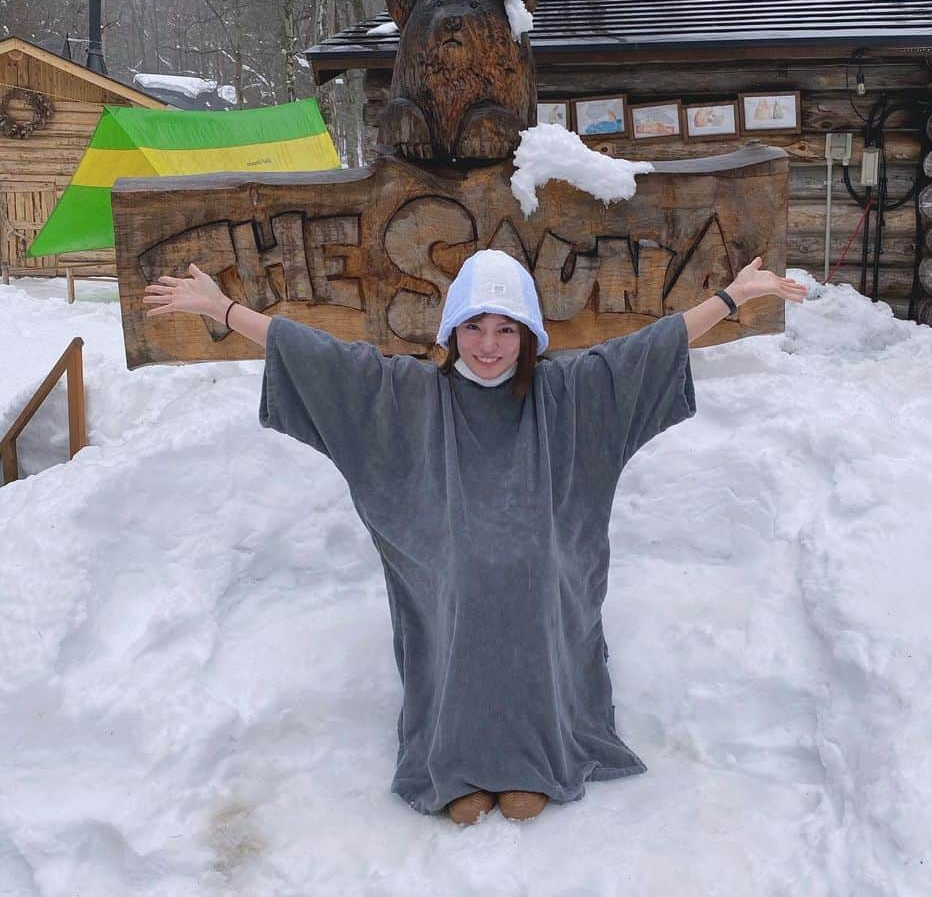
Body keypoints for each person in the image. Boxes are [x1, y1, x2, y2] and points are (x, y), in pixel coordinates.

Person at [144, 250, 807, 825]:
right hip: (449, 586)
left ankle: (535, 758)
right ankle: (456, 764)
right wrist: (223, 308)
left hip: (541, 589)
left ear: (527, 335)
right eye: (474, 327)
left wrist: (732, 297)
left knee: (533, 618)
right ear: (452, 330)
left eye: (505, 330)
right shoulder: (408, 393)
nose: (489, 345)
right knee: (455, 617)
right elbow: (320, 359)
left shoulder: (564, 392)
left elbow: (649, 350)